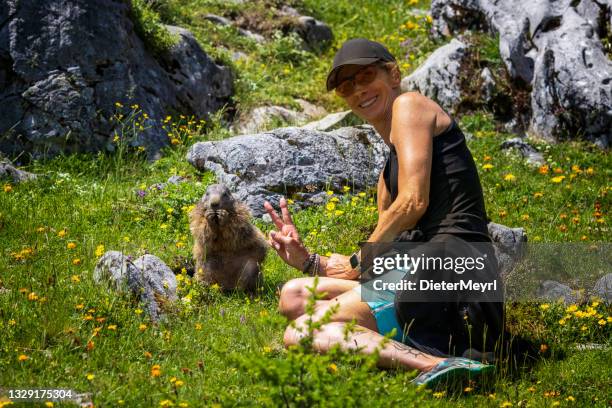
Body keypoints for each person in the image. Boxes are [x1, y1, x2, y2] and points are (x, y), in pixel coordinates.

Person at [263, 38, 503, 387]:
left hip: (453, 267)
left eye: (365, 77)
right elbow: (380, 257)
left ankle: (433, 363)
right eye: (347, 87)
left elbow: (412, 203)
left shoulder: (409, 105)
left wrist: (360, 258)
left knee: (301, 330)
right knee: (294, 294)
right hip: (416, 268)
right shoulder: (386, 173)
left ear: (393, 73)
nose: (358, 91)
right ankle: (424, 352)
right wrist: (309, 261)